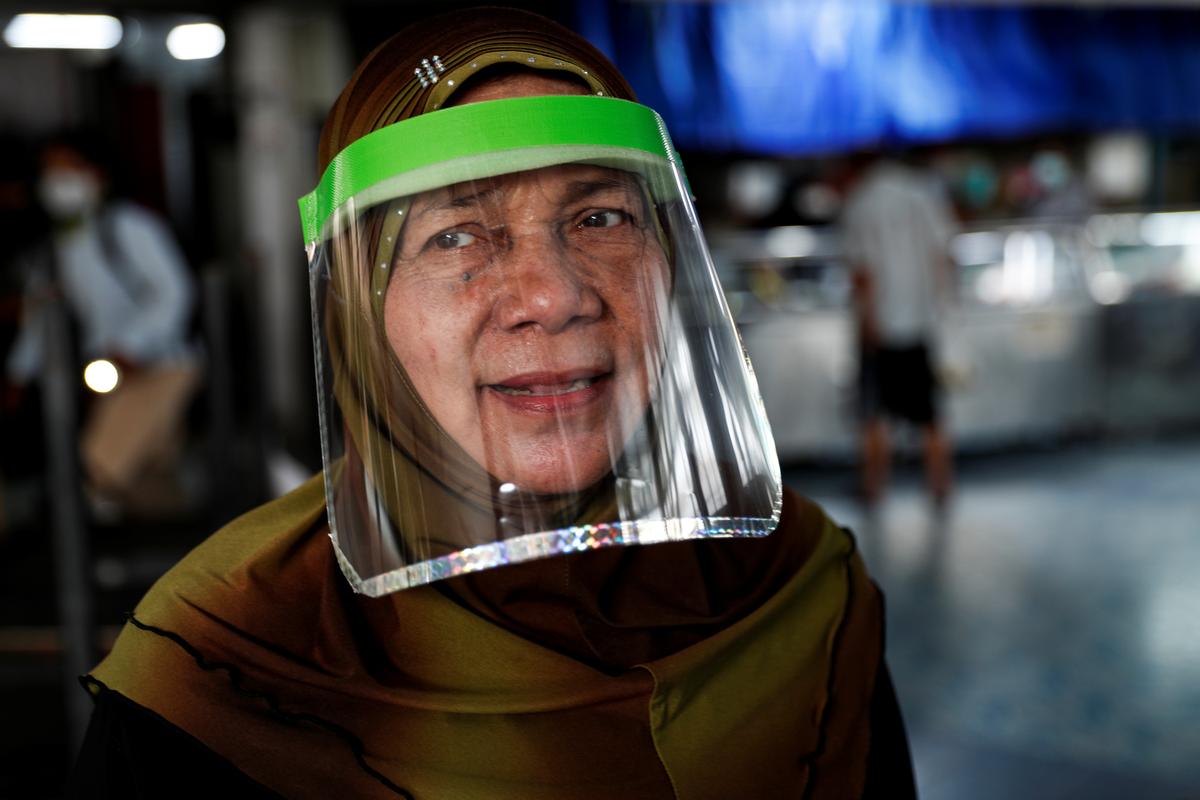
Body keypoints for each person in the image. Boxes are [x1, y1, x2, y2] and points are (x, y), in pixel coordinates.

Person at [68, 9, 915, 798]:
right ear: (360, 305)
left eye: (600, 217)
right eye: (455, 235)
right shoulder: (229, 657)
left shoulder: (803, 585)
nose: (552, 297)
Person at [6, 132, 200, 518]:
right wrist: (19, 373)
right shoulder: (54, 248)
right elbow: (42, 315)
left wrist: (131, 346)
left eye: (69, 168)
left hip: (162, 368)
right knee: (145, 478)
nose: (57, 180)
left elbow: (175, 291)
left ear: (98, 174)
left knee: (100, 464)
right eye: (50, 171)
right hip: (109, 376)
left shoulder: (130, 226)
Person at [841, 154, 959, 507]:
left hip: (882, 322)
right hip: (921, 321)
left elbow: (862, 272)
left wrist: (867, 322)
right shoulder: (924, 193)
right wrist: (941, 307)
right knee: (929, 412)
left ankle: (873, 487)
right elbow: (943, 255)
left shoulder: (861, 200)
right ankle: (940, 484)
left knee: (874, 411)